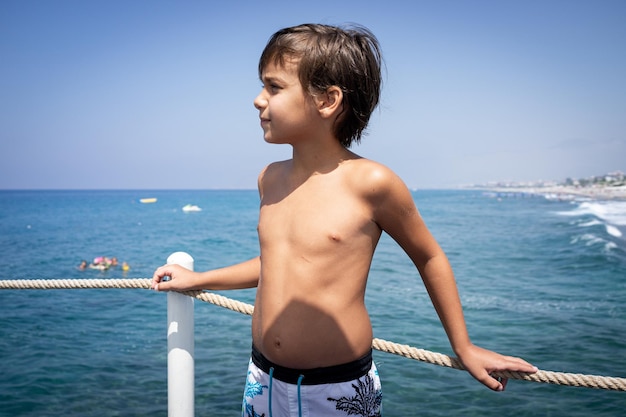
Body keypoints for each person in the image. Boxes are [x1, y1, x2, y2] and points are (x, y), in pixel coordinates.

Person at [152, 23, 537, 417]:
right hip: (262, 379)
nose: (257, 99)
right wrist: (198, 280)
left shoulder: (372, 183)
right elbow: (279, 263)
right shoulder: (269, 178)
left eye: (274, 87)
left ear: (327, 100)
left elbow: (429, 258)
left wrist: (464, 346)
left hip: (337, 389)